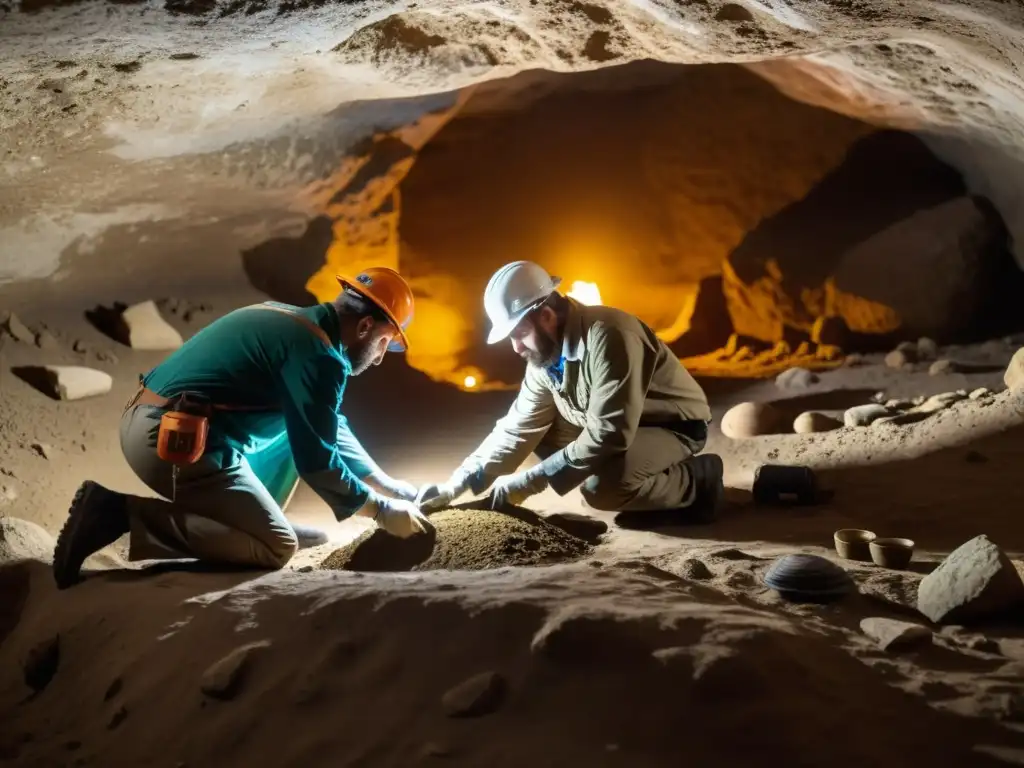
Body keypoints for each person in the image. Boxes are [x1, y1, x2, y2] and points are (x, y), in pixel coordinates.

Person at [53, 267, 429, 589]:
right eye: (382, 343)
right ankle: (117, 513)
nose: (380, 358)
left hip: (161, 422)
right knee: (276, 548)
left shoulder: (291, 320)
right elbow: (318, 462)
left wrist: (385, 483)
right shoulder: (318, 356)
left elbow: (326, 426)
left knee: (297, 429)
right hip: (171, 441)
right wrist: (380, 510)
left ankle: (251, 522)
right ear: (365, 326)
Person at [416, 260, 723, 521]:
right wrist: (457, 484)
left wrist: (527, 483)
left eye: (520, 334)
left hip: (673, 427)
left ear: (546, 317)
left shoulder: (609, 335)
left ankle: (696, 481)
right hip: (625, 428)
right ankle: (633, 473)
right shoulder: (545, 357)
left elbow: (609, 433)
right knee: (543, 433)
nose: (516, 347)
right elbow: (517, 428)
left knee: (602, 490)